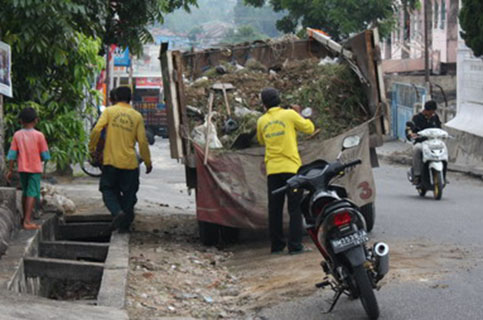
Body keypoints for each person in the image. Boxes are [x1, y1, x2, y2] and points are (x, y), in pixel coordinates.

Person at [256, 87, 315, 254]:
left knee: (274, 209)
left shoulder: (261, 121)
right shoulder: (289, 115)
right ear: (279, 100)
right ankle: (295, 246)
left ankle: (276, 246)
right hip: (291, 168)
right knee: (294, 207)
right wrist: (300, 114)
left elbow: (261, 140)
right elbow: (309, 128)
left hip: (273, 170)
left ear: (264, 104)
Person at [89, 86, 153, 233]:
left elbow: (97, 130)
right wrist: (148, 161)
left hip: (111, 161)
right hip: (130, 163)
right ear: (130, 98)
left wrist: (92, 149)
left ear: (115, 97)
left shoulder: (109, 112)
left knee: (108, 189)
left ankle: (117, 212)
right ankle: (125, 226)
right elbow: (142, 142)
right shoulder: (136, 116)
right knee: (130, 195)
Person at [6, 107, 51, 230]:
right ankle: (27, 221)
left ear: (21, 121)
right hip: (35, 169)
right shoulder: (39, 135)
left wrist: (10, 170)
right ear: (36, 120)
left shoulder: (17, 135)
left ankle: (23, 218)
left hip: (22, 169)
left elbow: (12, 154)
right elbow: (45, 155)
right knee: (32, 193)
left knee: (25, 192)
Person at [406, 100, 442, 185]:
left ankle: (442, 173)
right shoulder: (417, 118)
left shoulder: (435, 118)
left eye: (434, 111)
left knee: (443, 148)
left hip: (433, 142)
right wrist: (412, 135)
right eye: (432, 111)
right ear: (426, 110)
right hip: (421, 142)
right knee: (416, 149)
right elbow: (410, 131)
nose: (433, 113)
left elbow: (440, 128)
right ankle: (417, 175)